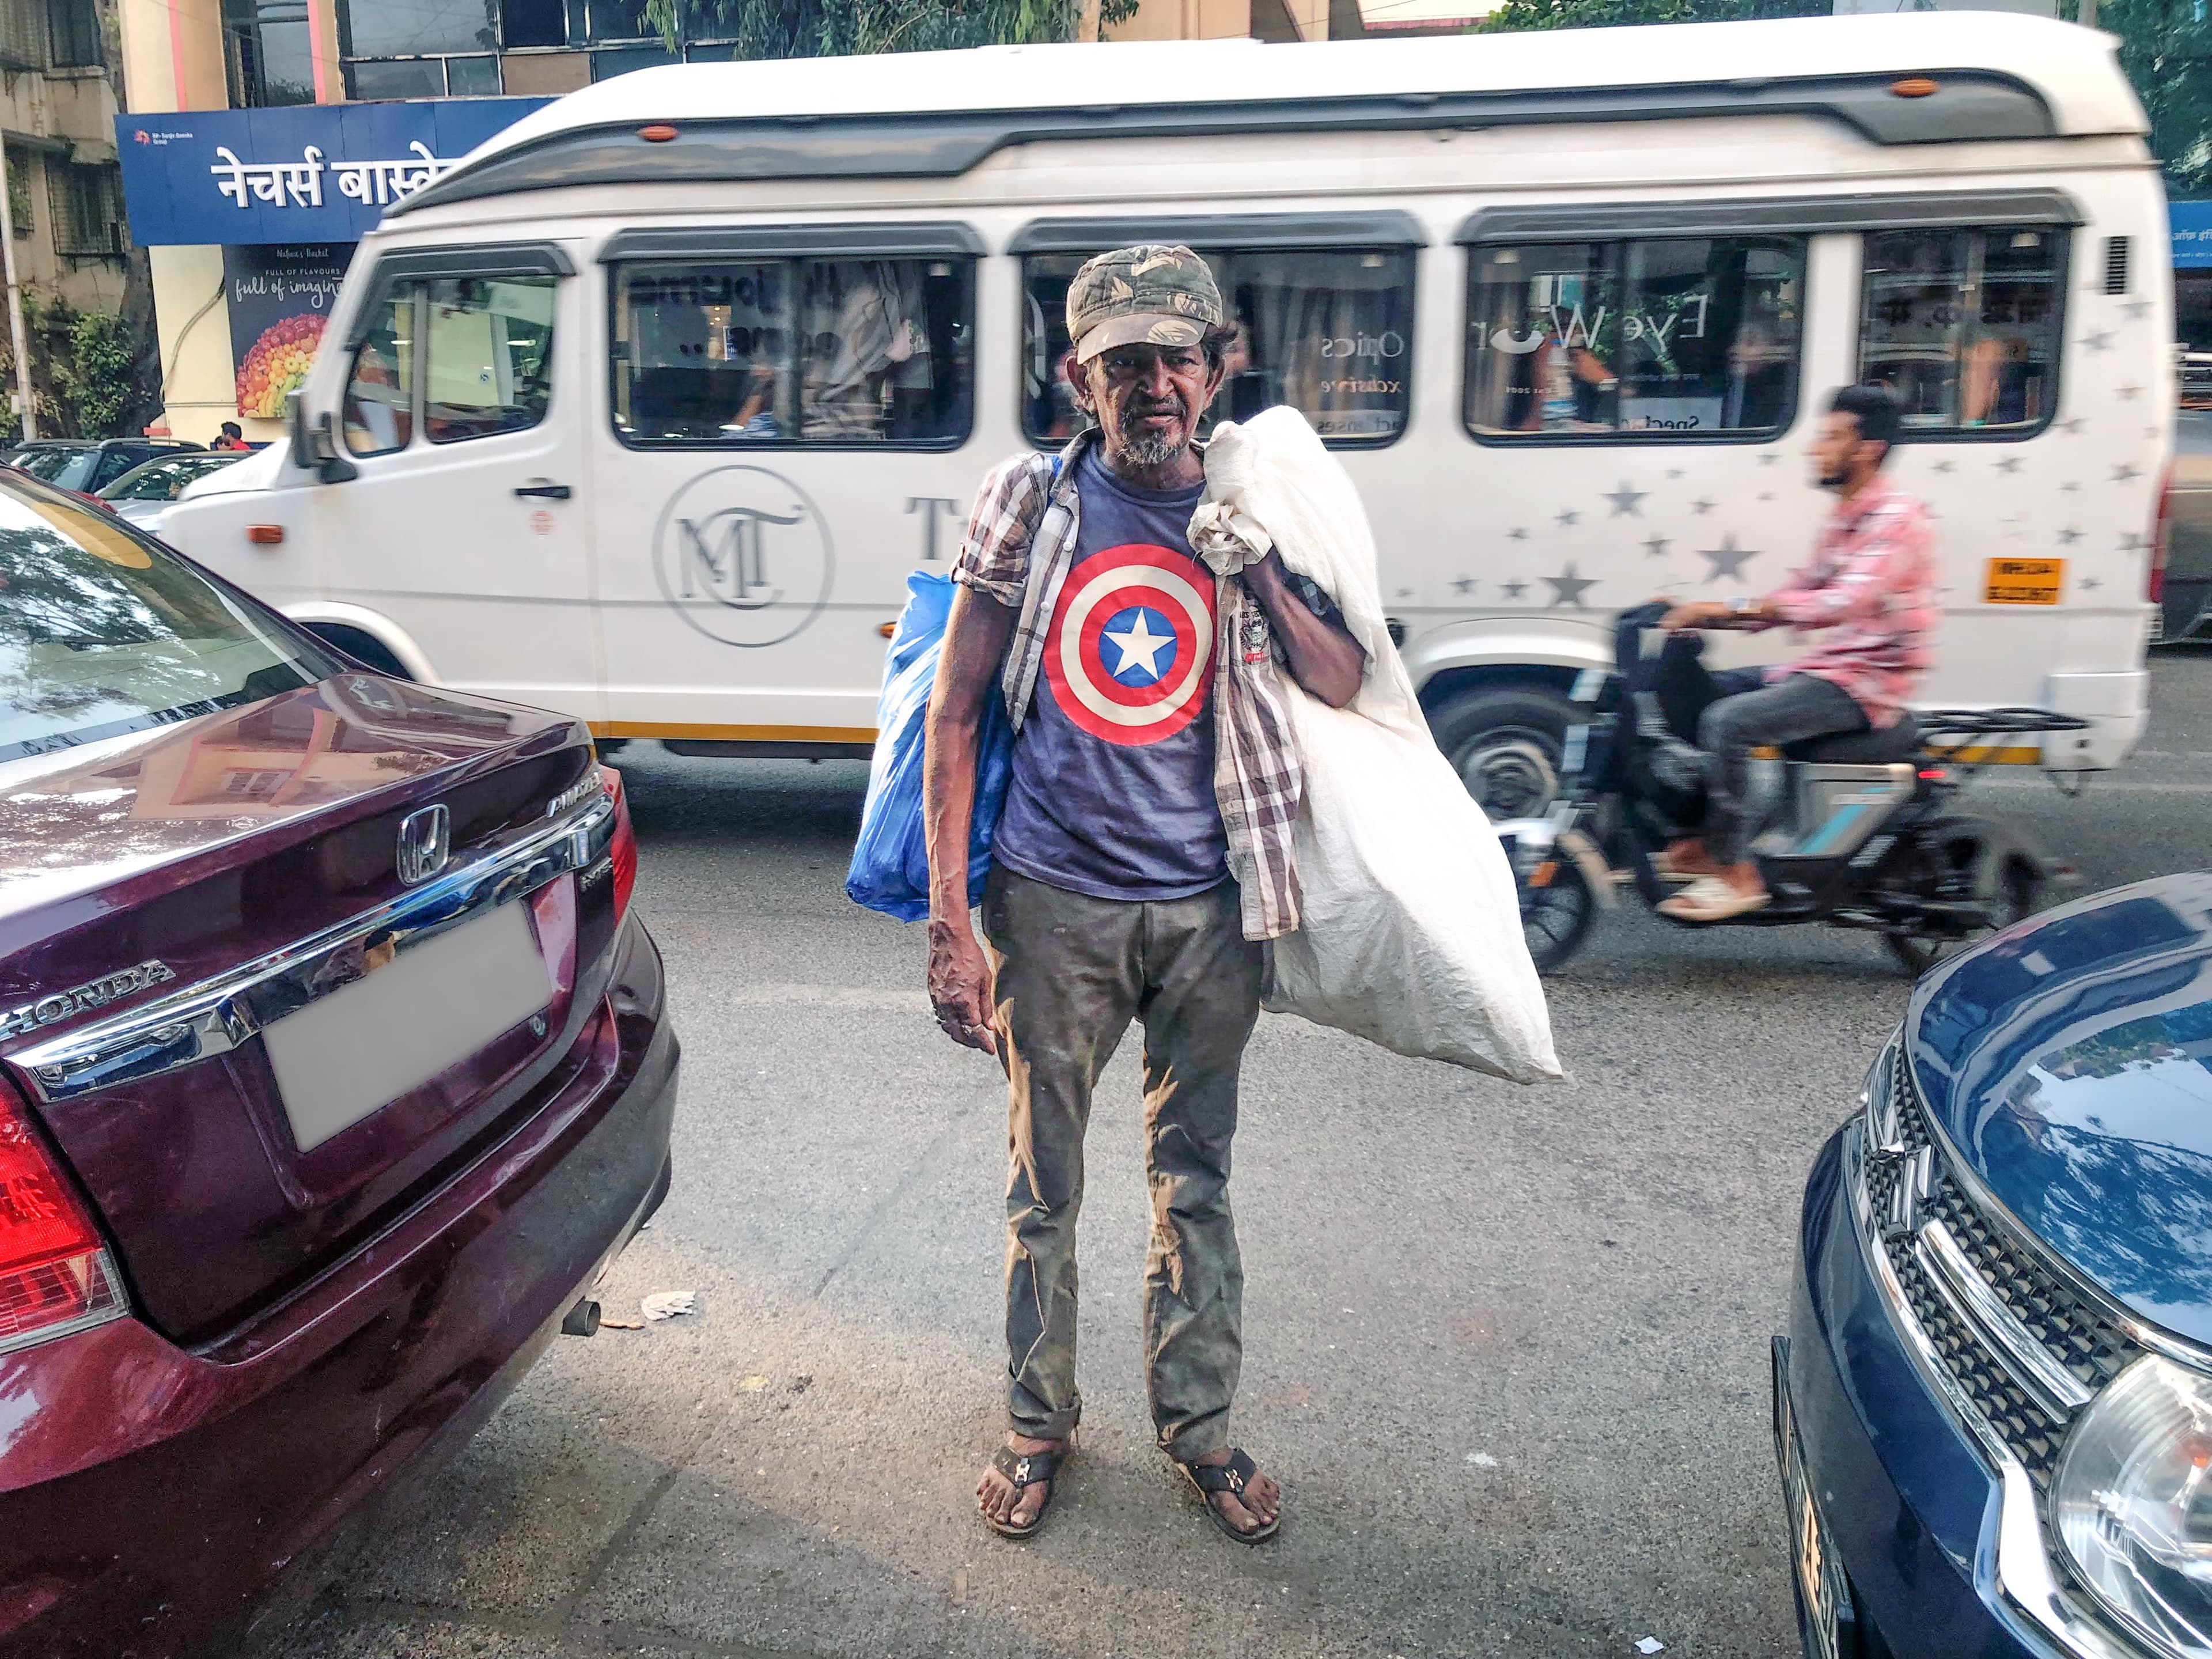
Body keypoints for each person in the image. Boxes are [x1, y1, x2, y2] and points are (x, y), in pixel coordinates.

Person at [923, 244, 1365, 1546]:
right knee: (1040, 1183)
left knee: (1196, 1180)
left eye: (1176, 356)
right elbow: (954, 710)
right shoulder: (1032, 499)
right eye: (1124, 361)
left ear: (1219, 366)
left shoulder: (1262, 504)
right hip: (1051, 902)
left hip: (1211, 909)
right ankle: (1034, 1421)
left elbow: (1340, 681)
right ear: (1079, 377)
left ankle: (1199, 1426)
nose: (1153, 383)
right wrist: (950, 923)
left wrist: (1259, 572)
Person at [1653, 382, 1937, 922]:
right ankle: (1706, 839)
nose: (1814, 449)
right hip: (1825, 668)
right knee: (1698, 693)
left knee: (1730, 722)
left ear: (1867, 449)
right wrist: (1708, 613)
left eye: (1830, 438)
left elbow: (1840, 602)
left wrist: (1725, 606)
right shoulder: (1847, 516)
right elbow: (1801, 591)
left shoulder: (1897, 523)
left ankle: (1738, 872)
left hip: (1867, 682)